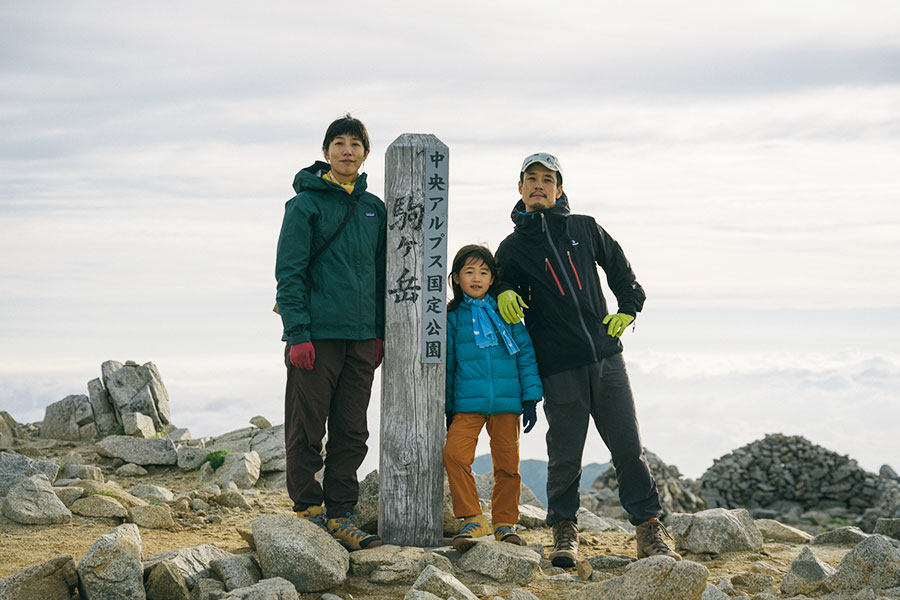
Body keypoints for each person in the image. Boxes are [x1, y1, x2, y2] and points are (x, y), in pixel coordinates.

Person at [494, 153, 680, 567]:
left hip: (605, 357)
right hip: (558, 365)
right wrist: (503, 287)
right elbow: (496, 283)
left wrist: (628, 309)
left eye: (548, 179)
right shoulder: (512, 247)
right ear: (519, 187)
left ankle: (648, 527)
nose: (539, 185)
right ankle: (563, 529)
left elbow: (623, 273)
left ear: (560, 189)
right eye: (531, 179)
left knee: (628, 447)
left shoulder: (585, 227)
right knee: (565, 454)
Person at [275, 114, 386, 551]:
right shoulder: (305, 205)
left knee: (352, 429)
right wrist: (297, 333)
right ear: (325, 153)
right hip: (316, 336)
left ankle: (342, 513)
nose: (346, 150)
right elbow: (290, 272)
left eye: (355, 144)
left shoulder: (373, 207)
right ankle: (307, 509)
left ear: (365, 154)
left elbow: (381, 273)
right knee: (307, 426)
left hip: (361, 337)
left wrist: (377, 332)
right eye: (338, 143)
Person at [442, 244, 543, 552]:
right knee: (454, 456)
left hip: (507, 404)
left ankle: (504, 523)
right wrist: (448, 406)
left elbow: (525, 355)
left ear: (492, 278)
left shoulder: (506, 313)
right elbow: (448, 366)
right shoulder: (452, 318)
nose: (476, 278)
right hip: (467, 405)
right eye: (469, 272)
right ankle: (473, 518)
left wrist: (531, 398)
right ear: (456, 279)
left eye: (483, 272)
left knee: (508, 467)